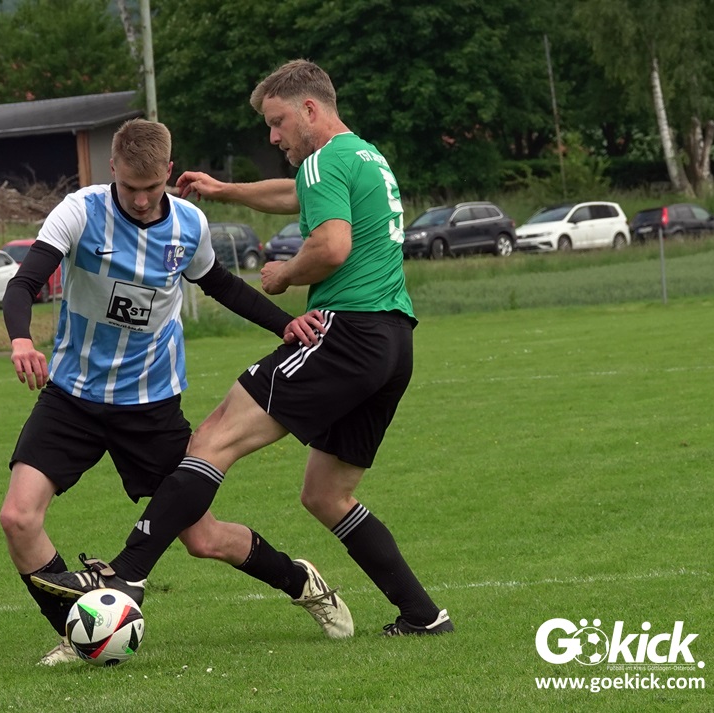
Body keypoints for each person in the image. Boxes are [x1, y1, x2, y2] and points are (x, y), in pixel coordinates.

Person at [33, 60, 454, 637]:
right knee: (326, 495)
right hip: (394, 342)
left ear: (310, 109)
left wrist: (284, 275)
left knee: (212, 438)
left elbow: (331, 245)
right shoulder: (363, 156)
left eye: (277, 123)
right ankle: (423, 615)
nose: (273, 137)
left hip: (345, 332)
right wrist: (226, 191)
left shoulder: (322, 160)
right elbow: (296, 195)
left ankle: (127, 574)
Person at [0, 118, 353, 667]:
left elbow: (221, 285)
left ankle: (301, 581)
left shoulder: (189, 223)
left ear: (168, 171)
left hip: (151, 406)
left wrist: (284, 323)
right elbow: (25, 282)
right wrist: (22, 339)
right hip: (72, 398)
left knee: (203, 539)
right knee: (18, 518)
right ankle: (82, 635)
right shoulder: (80, 211)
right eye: (129, 187)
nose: (141, 200)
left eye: (152, 187)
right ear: (112, 169)